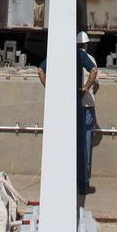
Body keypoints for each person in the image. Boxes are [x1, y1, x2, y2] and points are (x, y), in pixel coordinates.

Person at [38, 34, 98, 195]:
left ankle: (60, 182)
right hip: (84, 105)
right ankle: (83, 183)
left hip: (62, 105)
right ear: (86, 44)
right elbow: (94, 70)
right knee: (83, 145)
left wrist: (50, 89)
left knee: (61, 144)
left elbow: (40, 71)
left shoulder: (58, 53)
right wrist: (85, 88)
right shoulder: (86, 56)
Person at [77, 31, 99, 185]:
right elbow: (94, 74)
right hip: (87, 104)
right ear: (86, 44)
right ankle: (84, 180)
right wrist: (86, 88)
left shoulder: (72, 57)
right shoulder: (89, 58)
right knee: (85, 141)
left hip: (75, 104)